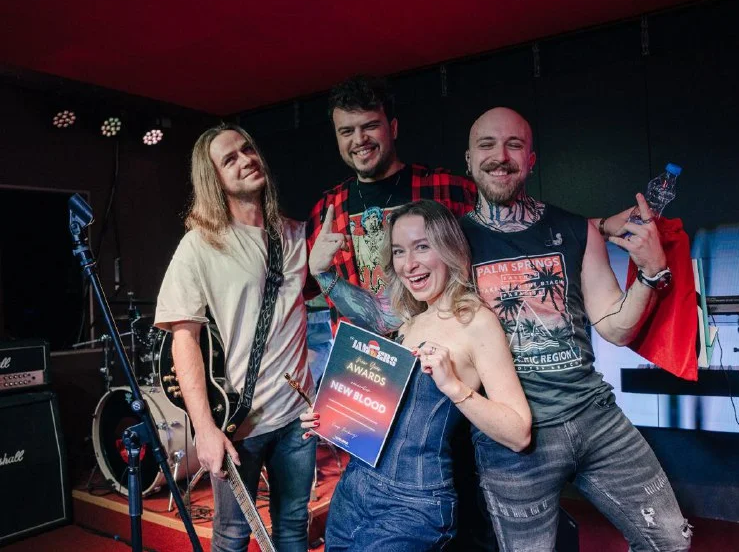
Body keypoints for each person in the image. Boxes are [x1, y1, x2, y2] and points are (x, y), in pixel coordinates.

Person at [314, 107, 692, 551]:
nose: (500, 156)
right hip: (512, 445)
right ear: (469, 160)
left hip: (593, 417)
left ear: (532, 159)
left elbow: (616, 328)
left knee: (671, 539)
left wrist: (649, 273)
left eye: (514, 145)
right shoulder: (452, 241)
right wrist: (325, 277)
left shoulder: (575, 230)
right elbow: (394, 316)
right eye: (487, 145)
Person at [305, 199, 531, 551]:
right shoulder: (408, 320)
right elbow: (386, 416)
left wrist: (453, 386)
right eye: (399, 251)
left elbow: (519, 433)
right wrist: (330, 416)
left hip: (411, 506)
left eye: (422, 247)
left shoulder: (477, 322)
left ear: (450, 249)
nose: (409, 264)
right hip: (354, 488)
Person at [154, 124, 316, 552]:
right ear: (214, 178)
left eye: (248, 149)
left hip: (298, 418)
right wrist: (205, 430)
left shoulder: (295, 234)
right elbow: (183, 340)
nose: (246, 160)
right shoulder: (200, 246)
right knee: (232, 537)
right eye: (230, 159)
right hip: (238, 423)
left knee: (293, 526)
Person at [306, 75, 477, 300]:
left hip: (438, 321)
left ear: (393, 128)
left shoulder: (447, 189)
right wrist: (316, 269)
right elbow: (298, 291)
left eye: (370, 126)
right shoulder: (325, 211)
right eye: (347, 131)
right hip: (358, 324)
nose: (359, 139)